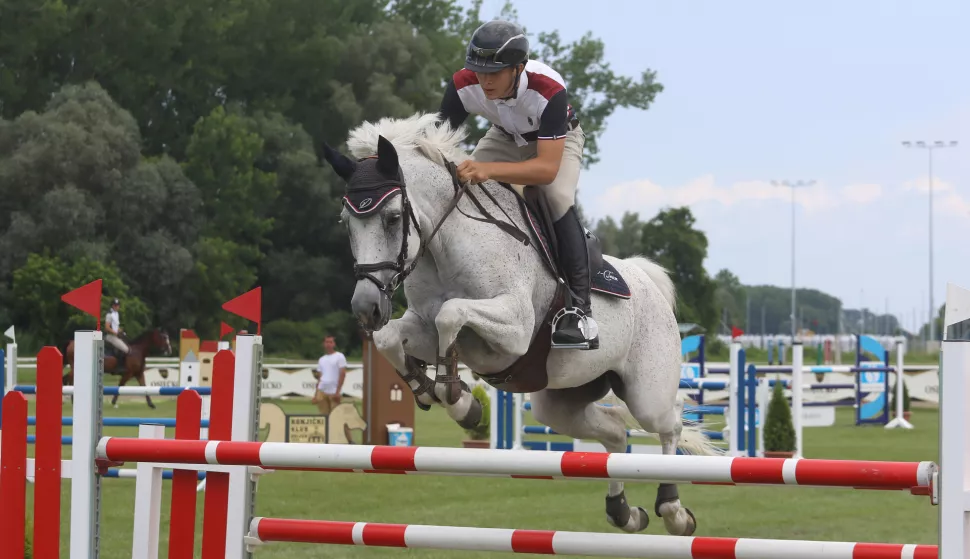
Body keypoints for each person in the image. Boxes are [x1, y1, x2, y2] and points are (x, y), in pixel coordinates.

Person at [436, 19, 598, 349]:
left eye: (494, 73)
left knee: (556, 196)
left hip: (557, 142)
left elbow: (546, 170)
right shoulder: (463, 84)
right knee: (458, 187)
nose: (484, 81)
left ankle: (580, 313)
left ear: (518, 68)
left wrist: (487, 170)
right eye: (479, 72)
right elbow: (436, 143)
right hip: (504, 136)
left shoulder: (548, 89)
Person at [313, 335, 347, 415]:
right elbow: (320, 377)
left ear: (334, 344)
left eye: (330, 342)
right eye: (327, 342)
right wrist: (316, 393)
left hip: (333, 390)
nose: (328, 344)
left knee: (335, 415)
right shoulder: (322, 359)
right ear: (323, 344)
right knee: (323, 415)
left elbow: (342, 374)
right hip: (322, 390)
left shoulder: (339, 356)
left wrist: (338, 391)